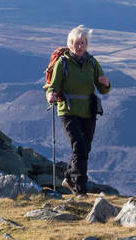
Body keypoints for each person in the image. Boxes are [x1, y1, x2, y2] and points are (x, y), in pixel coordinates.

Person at [45, 25, 112, 195]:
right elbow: (52, 86)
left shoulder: (92, 62)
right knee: (80, 147)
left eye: (82, 43)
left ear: (86, 44)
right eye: (76, 43)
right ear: (70, 44)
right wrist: (50, 95)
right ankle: (80, 189)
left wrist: (106, 84)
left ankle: (68, 177)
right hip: (67, 111)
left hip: (88, 111)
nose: (79, 46)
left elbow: (103, 89)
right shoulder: (63, 63)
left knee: (84, 148)